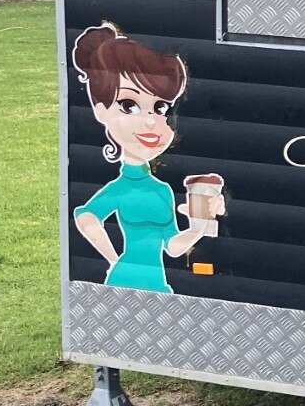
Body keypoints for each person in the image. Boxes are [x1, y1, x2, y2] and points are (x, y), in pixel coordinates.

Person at [71, 22, 223, 293]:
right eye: (129, 106)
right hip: (123, 278)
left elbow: (173, 247)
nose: (152, 122)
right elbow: (86, 217)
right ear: (102, 110)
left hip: (157, 283)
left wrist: (199, 225)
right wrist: (113, 258)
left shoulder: (162, 190)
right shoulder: (121, 188)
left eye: (160, 107)